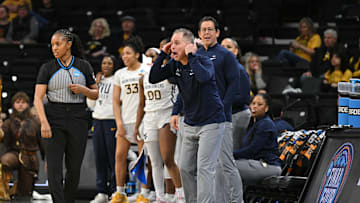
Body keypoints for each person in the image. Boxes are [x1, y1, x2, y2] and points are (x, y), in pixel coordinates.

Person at [150, 28, 226, 203]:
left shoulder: (203, 60)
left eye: (176, 43)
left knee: (204, 168)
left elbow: (203, 77)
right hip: (191, 122)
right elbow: (153, 78)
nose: (172, 47)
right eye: (171, 43)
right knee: (184, 168)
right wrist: (162, 54)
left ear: (189, 45)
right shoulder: (174, 65)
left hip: (211, 122)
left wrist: (191, 56)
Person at [33, 29, 98, 203]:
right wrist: (44, 122)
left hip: (78, 117)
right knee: (54, 168)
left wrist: (84, 90)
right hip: (54, 117)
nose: (54, 48)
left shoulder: (84, 66)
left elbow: (96, 94)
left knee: (74, 168)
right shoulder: (47, 68)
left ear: (68, 44)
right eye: (52, 45)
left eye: (58, 44)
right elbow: (37, 99)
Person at [196, 16, 245, 203]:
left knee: (226, 163)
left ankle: (237, 200)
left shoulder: (226, 55)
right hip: (201, 119)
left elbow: (234, 85)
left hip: (221, 117)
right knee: (209, 166)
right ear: (199, 34)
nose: (207, 33)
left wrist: (222, 107)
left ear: (217, 32)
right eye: (203, 30)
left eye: (210, 29)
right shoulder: (197, 55)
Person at [134, 59, 185, 202]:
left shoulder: (171, 74)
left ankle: (180, 194)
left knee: (168, 159)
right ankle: (160, 197)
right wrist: (137, 125)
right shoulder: (143, 77)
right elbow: (141, 103)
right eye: (148, 55)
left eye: (153, 55)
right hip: (149, 117)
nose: (150, 58)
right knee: (154, 162)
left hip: (166, 115)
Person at [110, 37, 150, 203]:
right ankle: (120, 192)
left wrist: (143, 122)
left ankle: (144, 194)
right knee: (119, 156)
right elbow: (115, 100)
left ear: (137, 54)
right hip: (125, 121)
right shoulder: (120, 74)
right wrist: (119, 122)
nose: (124, 57)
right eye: (123, 54)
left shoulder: (146, 72)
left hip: (142, 121)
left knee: (143, 158)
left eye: (128, 53)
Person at [0, 92, 43, 200]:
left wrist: (47, 159)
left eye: (23, 102)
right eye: (17, 102)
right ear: (13, 104)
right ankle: (3, 189)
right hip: (13, 153)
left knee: (24, 194)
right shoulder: (8, 122)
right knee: (5, 161)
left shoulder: (36, 122)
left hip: (30, 158)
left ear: (28, 104)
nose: (20, 105)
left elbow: (43, 142)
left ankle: (16, 189)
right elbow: (2, 137)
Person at [87, 56, 118, 203]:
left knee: (113, 157)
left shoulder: (117, 79)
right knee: (99, 158)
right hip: (97, 120)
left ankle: (114, 190)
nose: (106, 66)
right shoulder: (96, 80)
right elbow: (91, 104)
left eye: (109, 63)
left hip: (111, 120)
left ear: (114, 65)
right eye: (104, 63)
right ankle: (101, 192)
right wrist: (95, 86)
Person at [234, 93, 281, 188]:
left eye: (259, 104)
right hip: (254, 163)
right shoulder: (254, 123)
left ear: (266, 108)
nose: (254, 106)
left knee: (226, 167)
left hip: (268, 166)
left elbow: (251, 150)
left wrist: (229, 155)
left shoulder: (265, 124)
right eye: (253, 103)